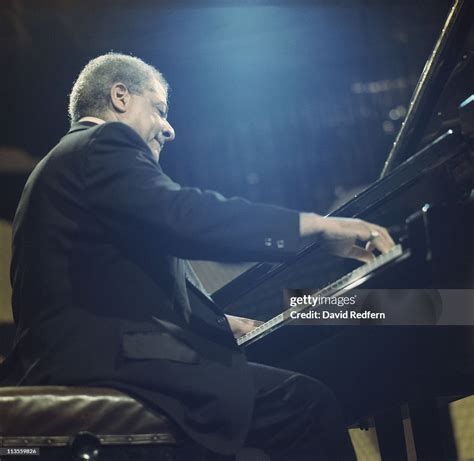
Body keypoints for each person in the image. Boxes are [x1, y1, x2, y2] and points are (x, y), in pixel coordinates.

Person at [0, 53, 394, 460]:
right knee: (306, 404)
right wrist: (317, 227)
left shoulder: (59, 167)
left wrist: (217, 323)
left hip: (64, 360)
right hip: (111, 365)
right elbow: (186, 216)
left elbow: (101, 284)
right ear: (120, 96)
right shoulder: (103, 144)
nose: (169, 128)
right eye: (159, 109)